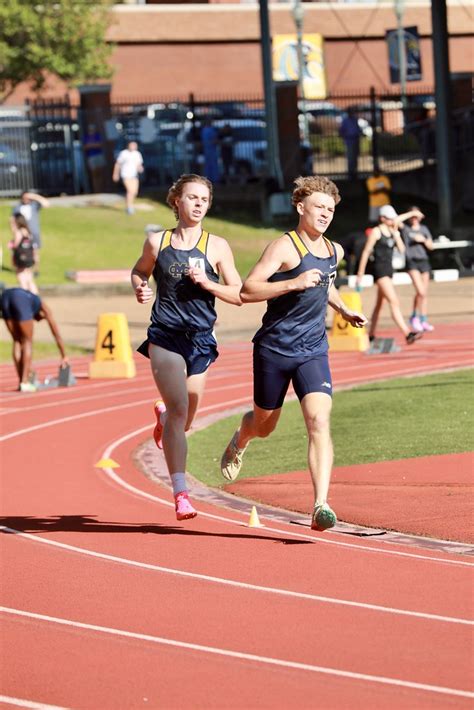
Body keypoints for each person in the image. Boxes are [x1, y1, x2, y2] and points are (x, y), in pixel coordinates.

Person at [220, 175, 368, 532]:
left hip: (313, 350)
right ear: (301, 207)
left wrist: (343, 309)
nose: (325, 214)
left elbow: (326, 283)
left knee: (319, 421)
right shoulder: (283, 248)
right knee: (264, 425)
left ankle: (320, 505)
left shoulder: (335, 251)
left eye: (331, 209)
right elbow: (247, 290)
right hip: (274, 348)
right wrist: (292, 283)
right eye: (319, 207)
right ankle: (241, 437)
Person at [131, 174, 242, 521]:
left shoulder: (217, 246)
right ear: (176, 200)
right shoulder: (157, 241)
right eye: (192, 197)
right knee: (180, 408)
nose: (198, 204)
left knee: (187, 415)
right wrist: (140, 288)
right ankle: (181, 494)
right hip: (165, 334)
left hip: (200, 338)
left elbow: (237, 291)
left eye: (204, 200)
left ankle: (164, 418)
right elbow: (139, 271)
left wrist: (209, 283)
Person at [356, 204, 424, 345]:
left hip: (389, 270)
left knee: (379, 305)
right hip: (379, 271)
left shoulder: (392, 231)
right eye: (389, 219)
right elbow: (366, 252)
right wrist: (360, 274)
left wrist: (398, 231)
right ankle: (407, 333)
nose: (393, 221)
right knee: (394, 301)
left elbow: (402, 249)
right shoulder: (376, 232)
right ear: (382, 218)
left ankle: (371, 334)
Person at [1, 287, 68, 392]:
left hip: (4, 297)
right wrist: (64, 355)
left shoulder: (32, 301)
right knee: (27, 341)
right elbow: (56, 334)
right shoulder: (43, 307)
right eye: (38, 319)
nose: (36, 321)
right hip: (19, 299)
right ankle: (24, 382)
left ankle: (22, 381)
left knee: (17, 340)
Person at [397, 206, 435, 332]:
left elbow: (431, 246)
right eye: (412, 216)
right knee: (420, 291)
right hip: (411, 262)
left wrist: (423, 240)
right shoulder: (406, 229)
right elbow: (396, 221)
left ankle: (422, 319)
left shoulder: (424, 229)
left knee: (423, 293)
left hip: (423, 261)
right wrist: (410, 213)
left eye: (416, 216)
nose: (414, 218)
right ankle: (414, 317)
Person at [10, 191, 50, 270]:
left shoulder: (34, 205)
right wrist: (15, 231)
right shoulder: (17, 207)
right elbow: (12, 219)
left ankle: (35, 269)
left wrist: (34, 196)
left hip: (33, 233)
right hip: (22, 234)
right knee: (21, 251)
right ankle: (22, 266)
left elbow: (46, 204)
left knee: (35, 252)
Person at [9, 214, 38, 294]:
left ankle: (25, 296)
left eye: (12, 223)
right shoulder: (28, 231)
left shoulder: (18, 232)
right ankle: (36, 297)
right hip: (29, 257)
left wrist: (11, 244)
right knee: (30, 279)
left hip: (21, 258)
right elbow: (32, 246)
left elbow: (16, 245)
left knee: (21, 277)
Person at [112, 140, 144, 215]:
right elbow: (118, 164)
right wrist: (115, 174)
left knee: (134, 192)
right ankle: (129, 207)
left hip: (134, 175)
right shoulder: (124, 153)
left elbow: (138, 164)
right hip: (126, 175)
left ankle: (130, 204)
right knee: (130, 191)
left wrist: (140, 168)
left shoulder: (137, 154)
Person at [339, 107, 362, 180]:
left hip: (356, 140)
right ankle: (350, 174)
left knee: (355, 157)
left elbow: (358, 129)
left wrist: (359, 134)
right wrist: (346, 137)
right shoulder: (345, 121)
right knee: (350, 158)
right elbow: (341, 131)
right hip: (349, 141)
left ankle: (355, 172)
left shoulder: (355, 120)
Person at [83, 123, 106, 193]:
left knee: (101, 173)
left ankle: (102, 189)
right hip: (91, 156)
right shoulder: (86, 137)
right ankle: (96, 190)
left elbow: (100, 145)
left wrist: (91, 145)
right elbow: (85, 147)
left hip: (99, 155)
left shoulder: (97, 136)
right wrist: (94, 145)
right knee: (94, 175)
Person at [200, 119, 220, 184]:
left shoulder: (203, 130)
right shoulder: (211, 130)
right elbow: (215, 140)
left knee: (208, 165)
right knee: (213, 165)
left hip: (206, 150)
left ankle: (208, 179)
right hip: (212, 150)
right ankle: (215, 179)